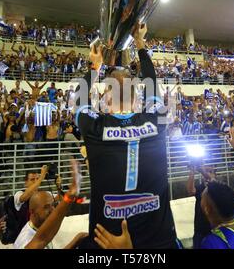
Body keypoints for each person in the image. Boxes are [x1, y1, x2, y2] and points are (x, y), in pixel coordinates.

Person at [75, 23, 178, 249]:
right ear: (137, 101)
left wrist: (94, 66)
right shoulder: (156, 121)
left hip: (106, 243)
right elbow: (151, 83)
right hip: (161, 243)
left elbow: (79, 101)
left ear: (106, 100)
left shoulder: (95, 127)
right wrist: (140, 43)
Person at [21, 160, 87, 249]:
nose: (53, 210)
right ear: (32, 212)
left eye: (52, 205)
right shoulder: (18, 195)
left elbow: (60, 200)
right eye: (46, 207)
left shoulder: (43, 196)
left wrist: (59, 187)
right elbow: (24, 197)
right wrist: (41, 177)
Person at [187, 164, 215, 249]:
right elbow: (190, 191)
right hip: (199, 229)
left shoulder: (217, 187)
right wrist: (192, 171)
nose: (207, 173)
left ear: (215, 174)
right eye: (206, 171)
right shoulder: (200, 187)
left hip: (214, 230)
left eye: (210, 171)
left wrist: (202, 170)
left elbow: (212, 181)